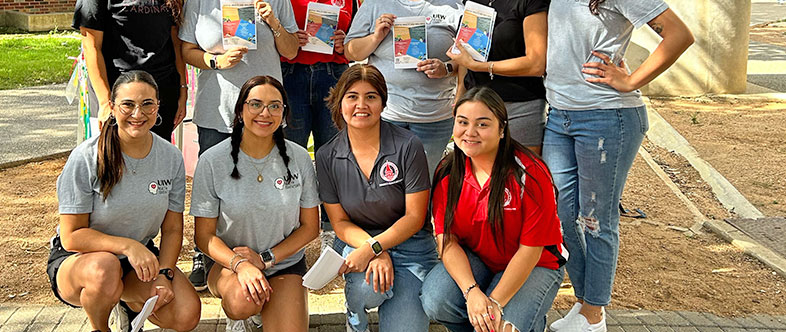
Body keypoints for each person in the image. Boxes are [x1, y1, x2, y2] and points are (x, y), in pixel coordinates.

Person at [544, 0, 694, 332]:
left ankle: (594, 315)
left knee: (596, 219)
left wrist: (630, 79)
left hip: (607, 117)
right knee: (564, 214)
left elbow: (678, 35)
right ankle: (587, 303)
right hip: (561, 115)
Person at [179, 0, 300, 290]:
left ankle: (265, 253)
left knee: (262, 182)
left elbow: (292, 50)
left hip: (264, 113)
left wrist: (273, 22)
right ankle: (208, 255)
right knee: (214, 184)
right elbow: (185, 50)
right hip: (217, 110)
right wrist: (215, 61)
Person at [47, 70, 201, 332]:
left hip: (137, 259)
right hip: (81, 261)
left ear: (158, 107)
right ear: (113, 107)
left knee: (186, 313)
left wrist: (164, 273)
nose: (138, 114)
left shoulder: (171, 158)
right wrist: (127, 246)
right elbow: (71, 236)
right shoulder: (85, 157)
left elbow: (173, 228)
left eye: (147, 104)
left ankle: (125, 304)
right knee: (105, 269)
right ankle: (101, 327)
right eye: (128, 104)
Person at [420, 87, 565, 332]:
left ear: (502, 129)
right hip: (482, 260)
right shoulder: (448, 171)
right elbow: (448, 240)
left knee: (499, 326)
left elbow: (530, 251)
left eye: (482, 124)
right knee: (436, 299)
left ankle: (529, 321)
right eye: (462, 122)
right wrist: (472, 292)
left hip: (536, 264)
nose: (470, 132)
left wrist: (494, 303)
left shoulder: (530, 172)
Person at [191, 76, 320, 332]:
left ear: (284, 112)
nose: (265, 113)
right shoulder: (212, 161)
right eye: (256, 104)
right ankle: (245, 315)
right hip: (228, 265)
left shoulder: (299, 158)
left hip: (283, 263)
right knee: (241, 301)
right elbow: (203, 236)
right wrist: (240, 265)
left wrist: (264, 259)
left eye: (275, 106)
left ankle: (268, 309)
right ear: (240, 110)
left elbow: (310, 228)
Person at [315, 64, 438, 332]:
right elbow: (339, 222)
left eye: (371, 96)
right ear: (339, 103)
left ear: (382, 102)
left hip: (411, 246)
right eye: (352, 96)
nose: (362, 104)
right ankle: (355, 316)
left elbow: (416, 217)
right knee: (366, 290)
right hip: (360, 240)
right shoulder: (326, 156)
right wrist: (373, 249)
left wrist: (377, 248)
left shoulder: (408, 145)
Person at [344, 0, 463, 173]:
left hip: (433, 116)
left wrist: (447, 67)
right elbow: (351, 52)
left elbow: (470, 59)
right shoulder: (377, 1)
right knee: (385, 184)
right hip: (385, 115)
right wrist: (376, 35)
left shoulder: (454, 5)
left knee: (423, 184)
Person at [73, 0, 187, 142]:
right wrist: (105, 102)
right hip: (122, 97)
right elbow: (91, 48)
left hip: (162, 94)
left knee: (157, 164)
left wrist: (182, 92)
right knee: (119, 169)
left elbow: (176, 44)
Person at [446, 0, 549, 154]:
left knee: (522, 179)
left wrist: (481, 67)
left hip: (518, 107)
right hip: (476, 106)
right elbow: (466, 51)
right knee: (478, 180)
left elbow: (536, 63)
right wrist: (460, 95)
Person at [279, 0, 358, 149]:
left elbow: (359, 36)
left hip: (333, 76)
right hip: (291, 75)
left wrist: (347, 42)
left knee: (334, 150)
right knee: (290, 151)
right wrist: (289, 37)